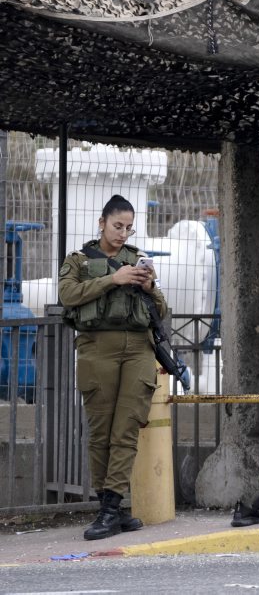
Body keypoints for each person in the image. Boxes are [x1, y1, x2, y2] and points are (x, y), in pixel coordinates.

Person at [58, 195, 166, 540]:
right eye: (117, 225)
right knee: (101, 432)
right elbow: (68, 295)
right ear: (101, 223)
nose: (123, 233)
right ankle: (111, 507)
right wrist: (113, 279)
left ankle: (110, 508)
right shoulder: (77, 260)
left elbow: (161, 311)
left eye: (128, 227)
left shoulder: (138, 261)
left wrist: (148, 286)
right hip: (96, 350)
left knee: (127, 429)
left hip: (137, 350)